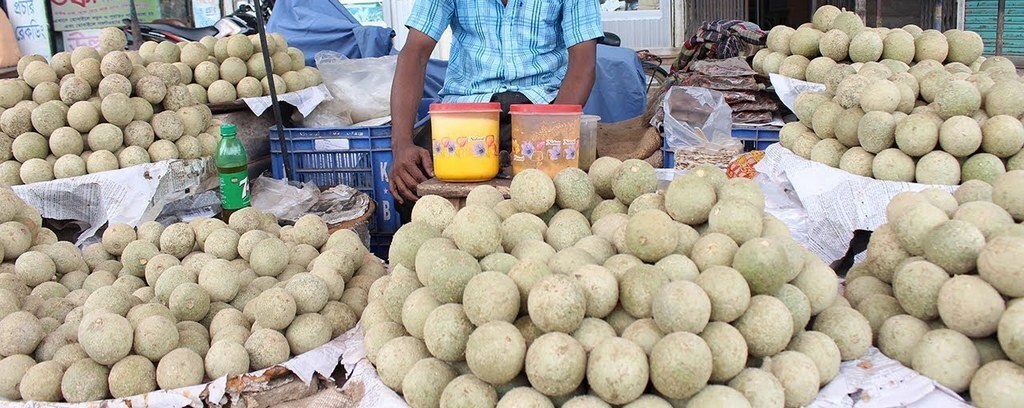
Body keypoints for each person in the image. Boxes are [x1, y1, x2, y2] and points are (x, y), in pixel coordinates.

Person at [388, 0, 604, 212]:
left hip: (542, 112)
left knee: (566, 192)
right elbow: (414, 54)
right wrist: (402, 144)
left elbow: (583, 63)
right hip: (466, 115)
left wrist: (547, 138)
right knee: (409, 186)